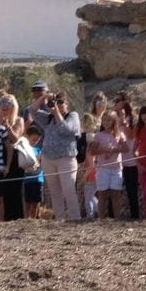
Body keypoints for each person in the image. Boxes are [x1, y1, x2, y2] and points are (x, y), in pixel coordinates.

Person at [29, 92, 81, 220]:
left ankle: (75, 218)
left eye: (60, 102)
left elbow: (66, 129)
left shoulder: (72, 116)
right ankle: (59, 218)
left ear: (67, 104)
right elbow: (32, 111)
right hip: (48, 159)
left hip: (66, 159)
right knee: (55, 192)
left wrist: (56, 112)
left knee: (68, 190)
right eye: (55, 102)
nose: (57, 104)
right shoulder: (48, 118)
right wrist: (44, 97)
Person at [0, 94, 26, 221]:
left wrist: (7, 125)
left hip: (14, 159)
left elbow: (15, 139)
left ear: (14, 106)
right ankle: (0, 219)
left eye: (8, 103)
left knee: (15, 190)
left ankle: (16, 219)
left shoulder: (19, 120)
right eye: (2, 103)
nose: (5, 106)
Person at [90, 111, 123, 220]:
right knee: (102, 194)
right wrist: (103, 150)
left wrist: (114, 149)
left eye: (109, 120)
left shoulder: (119, 134)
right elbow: (93, 151)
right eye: (104, 120)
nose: (106, 122)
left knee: (115, 194)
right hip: (102, 168)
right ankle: (101, 219)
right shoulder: (98, 135)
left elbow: (126, 148)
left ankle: (117, 219)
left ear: (114, 121)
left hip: (116, 168)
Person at [118, 105, 140, 219]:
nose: (121, 116)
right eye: (119, 114)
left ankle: (135, 216)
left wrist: (125, 124)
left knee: (132, 190)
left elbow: (131, 136)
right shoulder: (116, 125)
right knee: (116, 190)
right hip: (119, 163)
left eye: (123, 114)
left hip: (132, 162)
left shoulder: (134, 123)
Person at [77, 113, 99, 219]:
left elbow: (91, 165)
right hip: (96, 173)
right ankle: (97, 212)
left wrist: (83, 178)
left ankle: (90, 216)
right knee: (91, 196)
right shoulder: (95, 143)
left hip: (91, 175)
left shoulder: (90, 147)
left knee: (88, 197)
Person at [23, 127, 44, 219]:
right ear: (27, 137)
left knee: (36, 201)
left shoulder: (39, 150)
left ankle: (33, 219)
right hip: (27, 180)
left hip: (38, 179)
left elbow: (41, 163)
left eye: (37, 140)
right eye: (34, 139)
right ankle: (27, 218)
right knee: (28, 202)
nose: (36, 142)